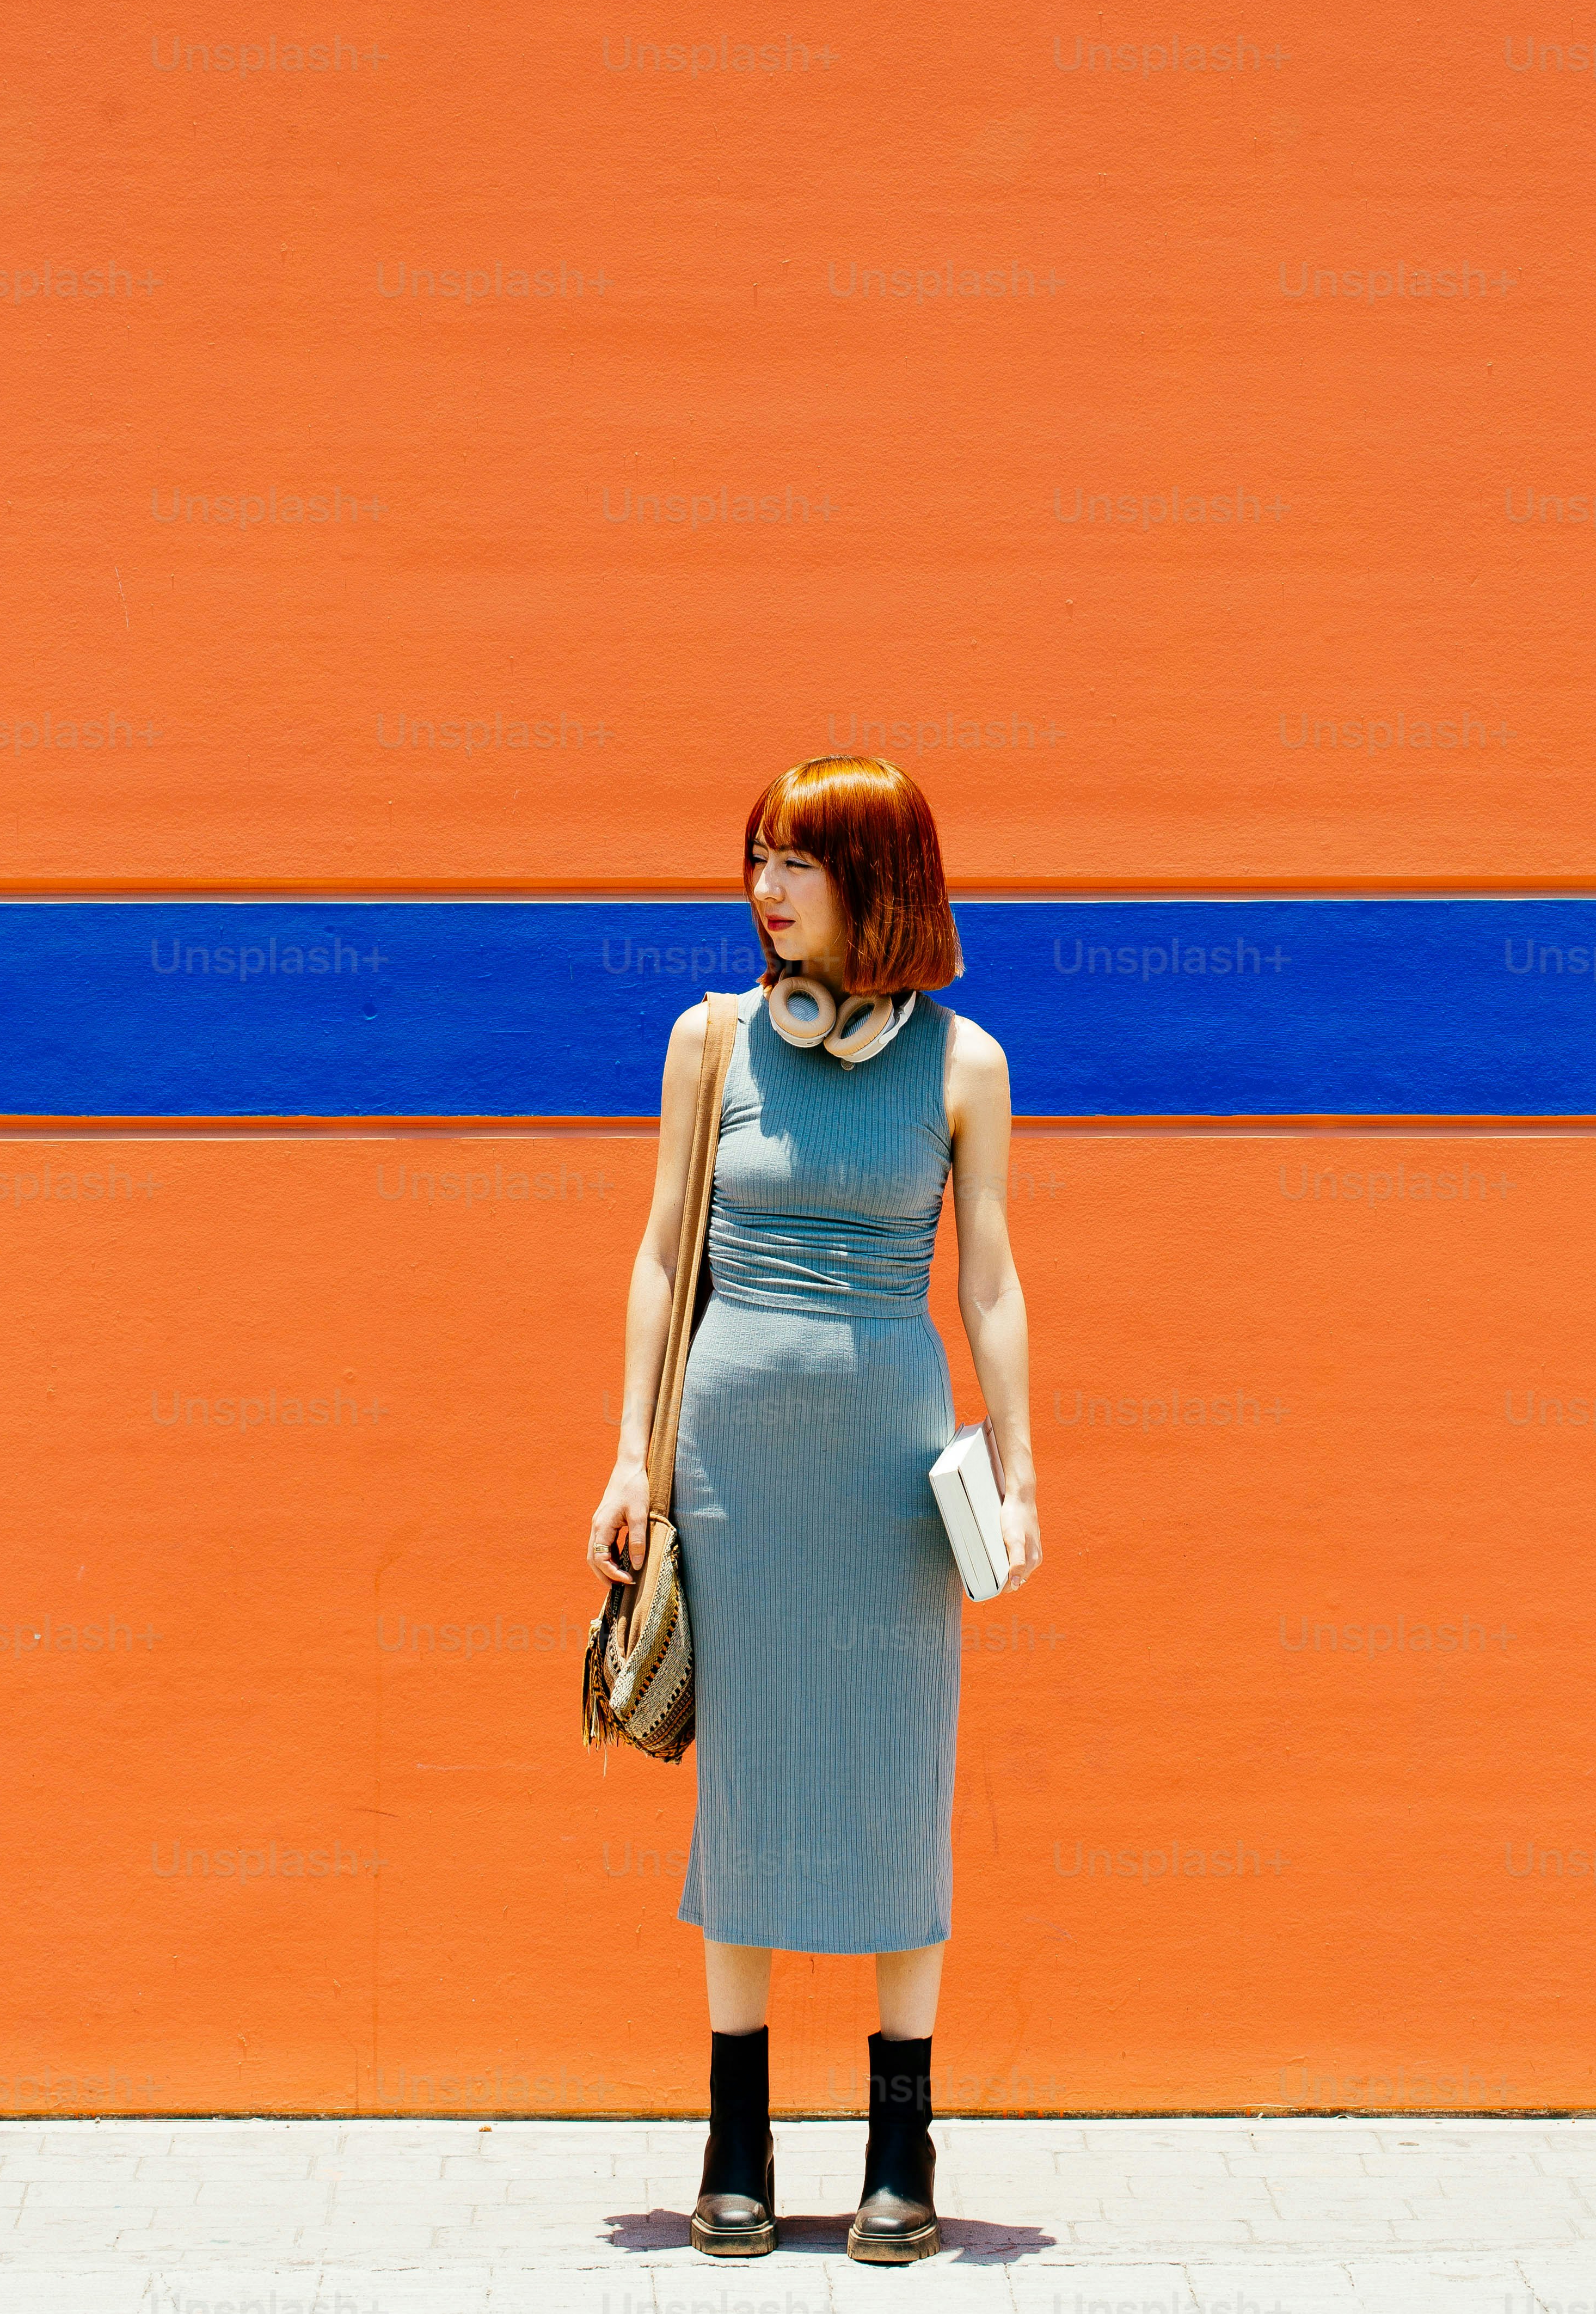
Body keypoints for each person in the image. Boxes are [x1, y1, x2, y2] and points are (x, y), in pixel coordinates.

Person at [587, 752, 1042, 2265]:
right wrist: (629, 1458)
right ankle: (737, 2141)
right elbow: (662, 1253)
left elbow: (986, 1275)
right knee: (757, 1780)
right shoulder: (710, 1040)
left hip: (889, 1463)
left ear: (880, 874)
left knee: (897, 1775)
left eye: (797, 859)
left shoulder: (963, 1062)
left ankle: (901, 2146)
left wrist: (1020, 1459)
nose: (765, 887)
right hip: (732, 1455)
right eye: (759, 857)